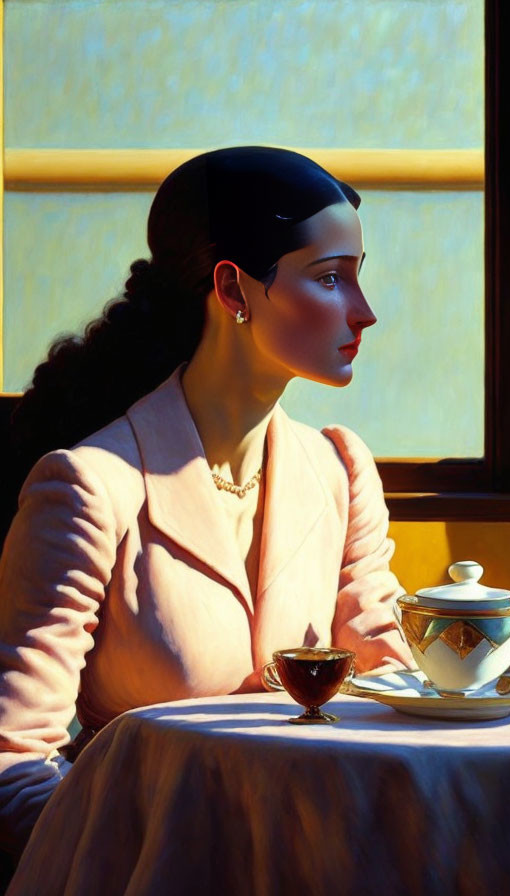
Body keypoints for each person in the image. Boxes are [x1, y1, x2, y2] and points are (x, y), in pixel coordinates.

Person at [0, 147, 413, 859]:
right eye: (330, 278)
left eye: (358, 276)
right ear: (232, 290)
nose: (365, 312)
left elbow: (389, 687)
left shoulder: (339, 470)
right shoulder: (92, 486)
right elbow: (12, 764)